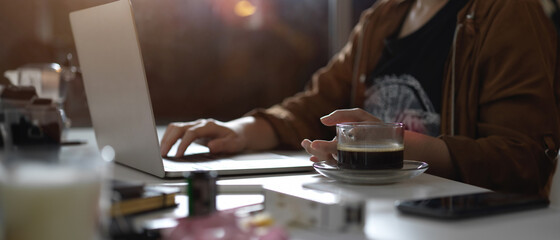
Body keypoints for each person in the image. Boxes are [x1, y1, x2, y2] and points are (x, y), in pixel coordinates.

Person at [161, 0, 560, 197]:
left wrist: (394, 145)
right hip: (381, 209)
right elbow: (314, 107)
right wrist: (239, 131)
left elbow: (523, 160)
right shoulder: (380, 20)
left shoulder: (507, 13)